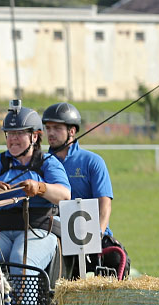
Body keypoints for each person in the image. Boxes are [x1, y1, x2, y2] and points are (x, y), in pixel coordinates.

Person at [0, 100, 71, 274]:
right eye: (9, 134)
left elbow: (64, 194)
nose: (13, 139)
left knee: (20, 259)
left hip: (38, 227)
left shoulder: (48, 162)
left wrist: (40, 188)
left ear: (34, 136)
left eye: (19, 133)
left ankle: (23, 302)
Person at [42, 102, 129, 278]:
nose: (50, 133)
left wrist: (97, 235)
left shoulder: (93, 162)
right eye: (48, 128)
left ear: (72, 131)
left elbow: (104, 204)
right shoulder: (41, 162)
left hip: (91, 234)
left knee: (117, 259)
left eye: (57, 128)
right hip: (55, 235)